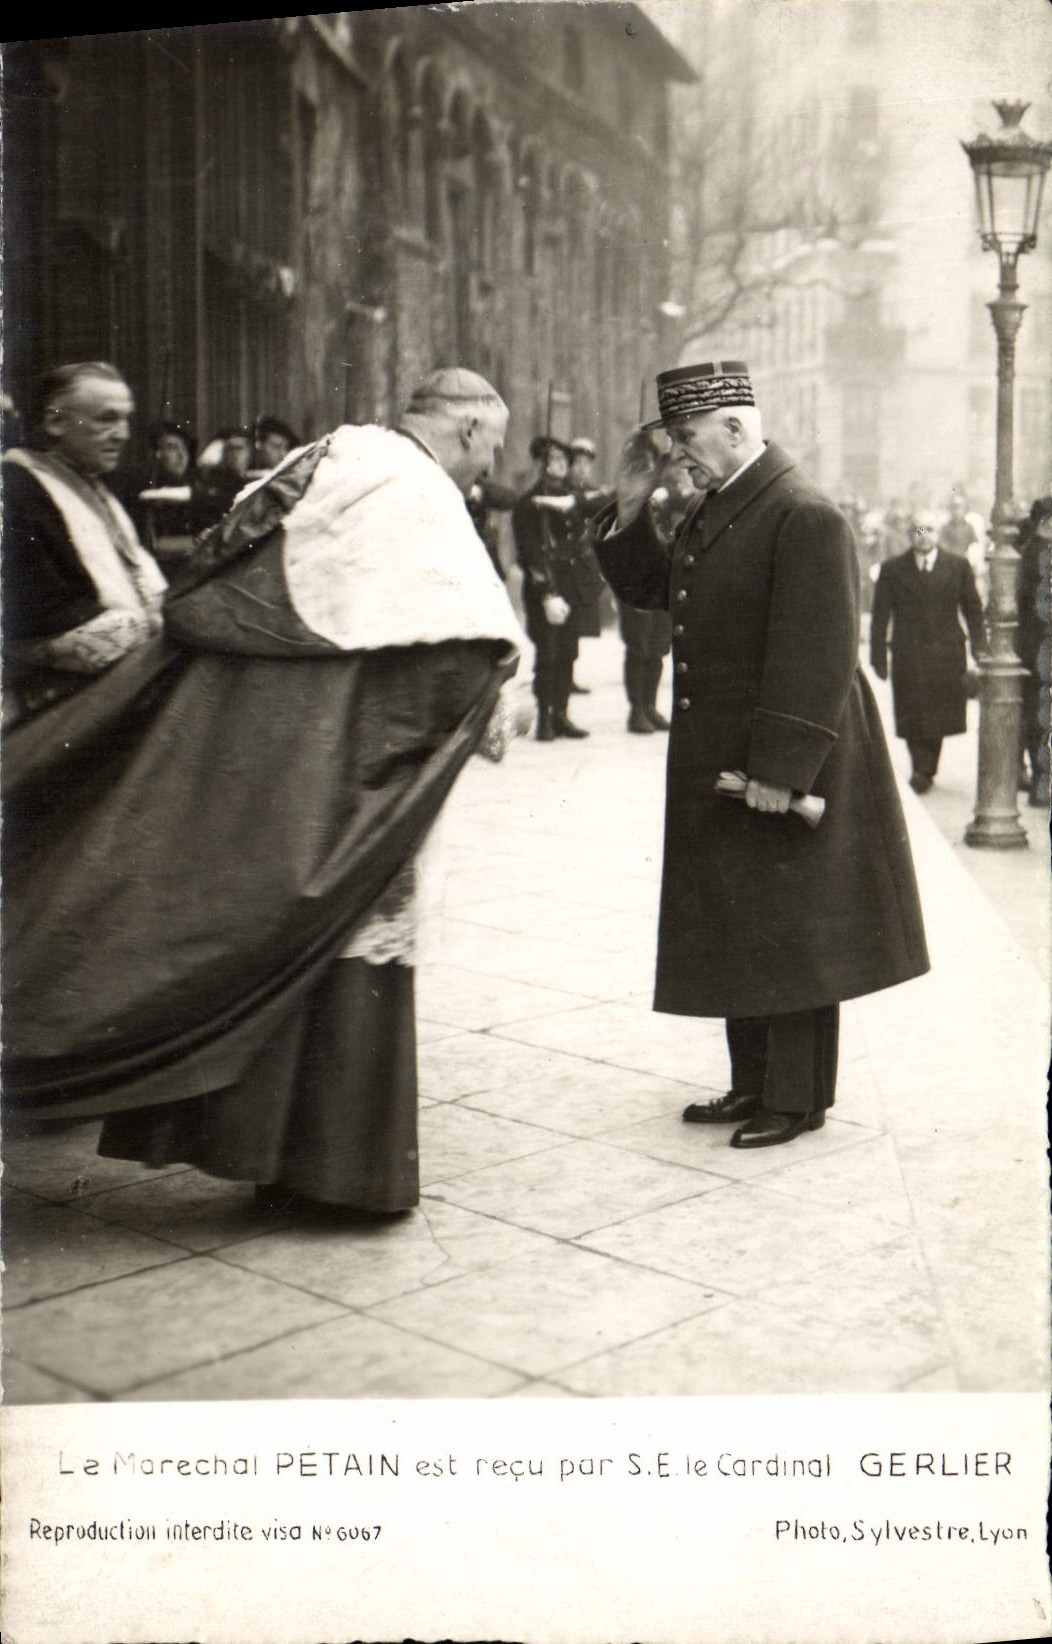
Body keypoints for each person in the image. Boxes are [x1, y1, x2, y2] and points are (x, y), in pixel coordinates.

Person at [4, 367, 524, 1218]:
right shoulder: (417, 495)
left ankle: (269, 1155)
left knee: (274, 940)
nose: (484, 468)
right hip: (352, 779)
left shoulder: (342, 454)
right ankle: (335, 1175)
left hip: (282, 765)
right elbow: (454, 653)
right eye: (491, 448)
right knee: (345, 943)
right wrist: (497, 694)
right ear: (468, 431)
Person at [593, 360, 929, 1149]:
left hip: (783, 753)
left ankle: (796, 1098)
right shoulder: (727, 505)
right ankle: (752, 1085)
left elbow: (820, 653)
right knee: (740, 916)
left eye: (689, 438)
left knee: (791, 924)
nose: (681, 455)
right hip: (729, 754)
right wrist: (631, 501)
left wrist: (782, 773)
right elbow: (656, 589)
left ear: (736, 428)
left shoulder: (802, 512)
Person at [1, 361, 167, 724]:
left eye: (125, 419)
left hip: (116, 678)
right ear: (55, 421)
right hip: (49, 702)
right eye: (106, 419)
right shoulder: (15, 491)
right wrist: (160, 627)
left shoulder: (97, 487)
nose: (123, 434)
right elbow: (36, 618)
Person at [870, 508, 986, 794]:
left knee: (938, 712)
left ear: (938, 533)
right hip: (908, 653)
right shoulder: (893, 569)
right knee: (911, 710)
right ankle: (921, 768)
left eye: (929, 530)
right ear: (911, 534)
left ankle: (926, 767)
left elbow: (973, 610)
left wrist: (980, 649)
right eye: (918, 530)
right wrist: (878, 657)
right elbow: (880, 615)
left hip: (946, 653)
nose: (923, 537)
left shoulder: (957, 566)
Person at [512, 434, 593, 740]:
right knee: (548, 652)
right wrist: (546, 593)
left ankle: (561, 715)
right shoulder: (529, 503)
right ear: (542, 464)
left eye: (563, 460)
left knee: (569, 652)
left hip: (570, 581)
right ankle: (545, 717)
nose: (559, 465)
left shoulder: (572, 497)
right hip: (545, 583)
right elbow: (530, 551)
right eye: (553, 460)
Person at [617, 453, 690, 734]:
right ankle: (636, 710)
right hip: (636, 580)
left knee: (658, 647)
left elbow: (686, 500)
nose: (678, 471)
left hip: (660, 579)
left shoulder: (668, 494)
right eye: (673, 467)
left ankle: (649, 705)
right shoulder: (637, 495)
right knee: (638, 647)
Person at [1016, 496, 1052, 808]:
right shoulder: (1039, 554)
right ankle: (1041, 787)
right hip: (1040, 649)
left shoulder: (1035, 550)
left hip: (1037, 647)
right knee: (1040, 719)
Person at [938, 494, 978, 558]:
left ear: (965, 511)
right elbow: (942, 544)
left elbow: (974, 544)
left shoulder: (969, 527)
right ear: (950, 511)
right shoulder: (945, 527)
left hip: (965, 558)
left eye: (960, 508)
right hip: (949, 557)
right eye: (954, 508)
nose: (957, 511)